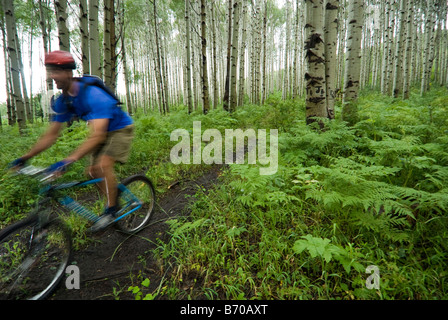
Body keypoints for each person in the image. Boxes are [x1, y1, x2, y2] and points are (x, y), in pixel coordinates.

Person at [9, 50, 134, 231]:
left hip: (120, 129)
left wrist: (68, 160)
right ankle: (111, 202)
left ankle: (111, 210)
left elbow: (98, 135)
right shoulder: (64, 101)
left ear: (69, 72)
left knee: (102, 166)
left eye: (56, 71)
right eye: (50, 71)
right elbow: (51, 135)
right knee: (91, 172)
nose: (52, 76)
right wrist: (25, 157)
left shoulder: (93, 95)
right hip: (102, 132)